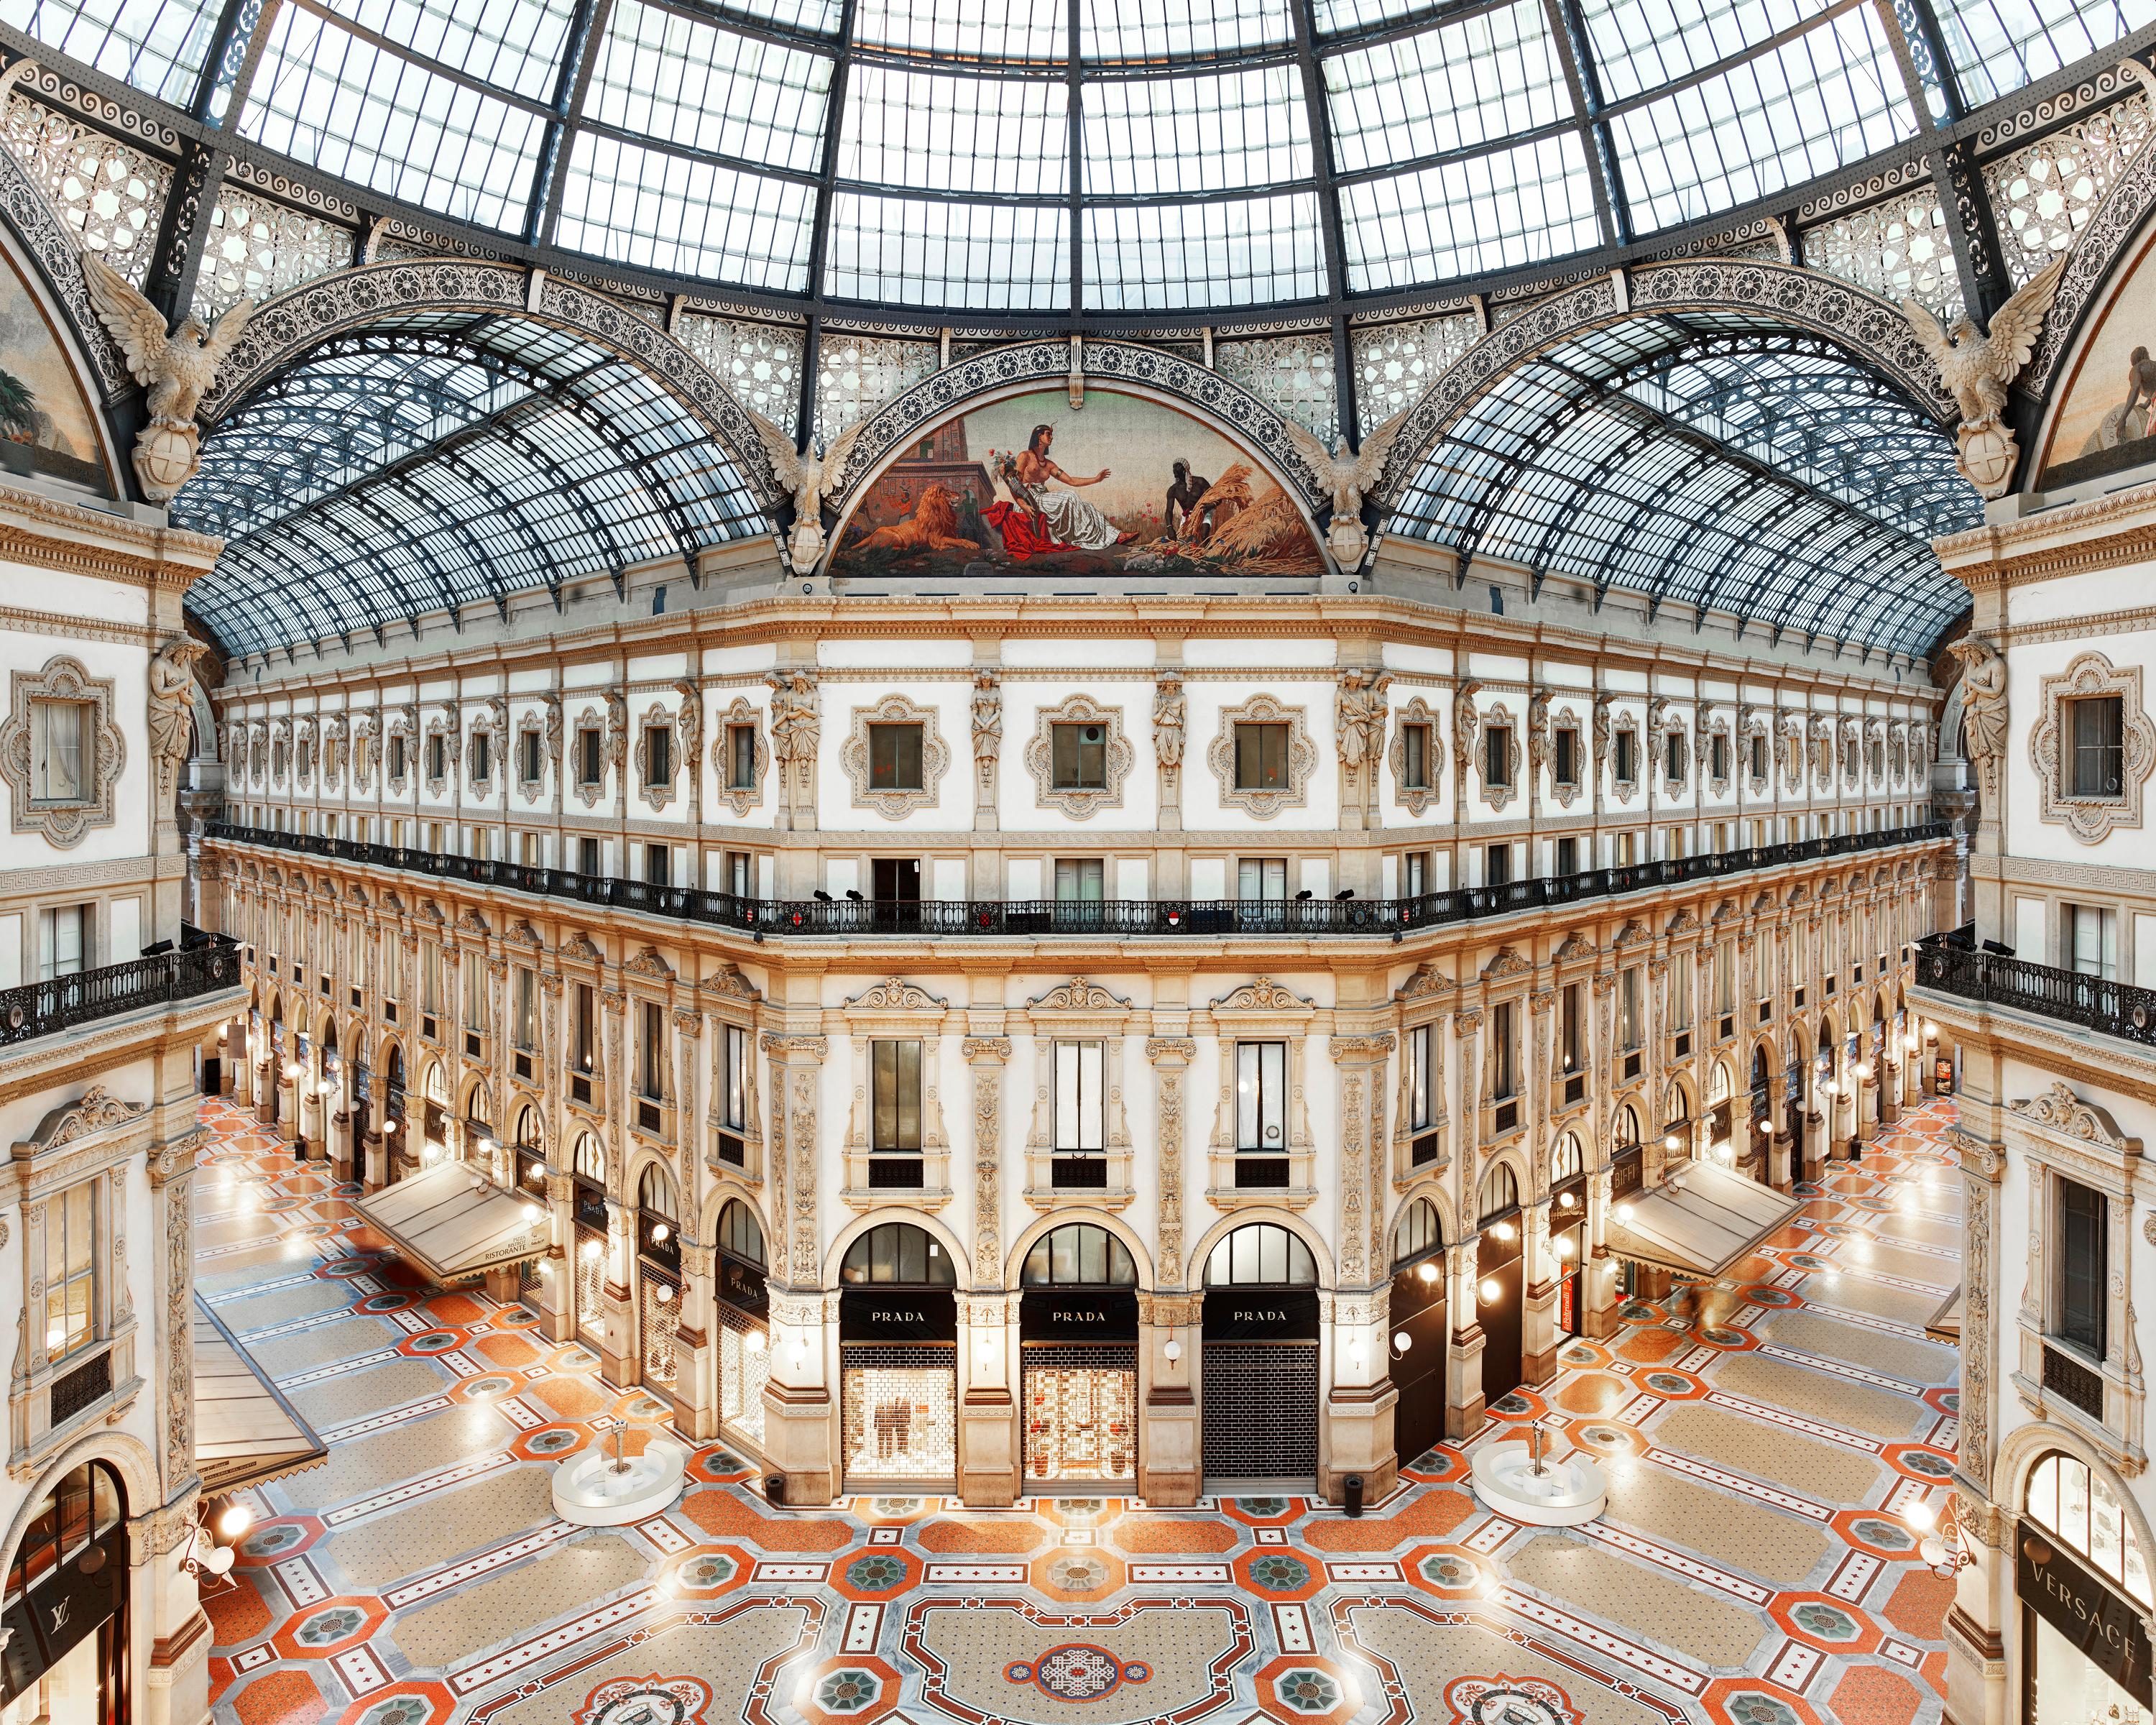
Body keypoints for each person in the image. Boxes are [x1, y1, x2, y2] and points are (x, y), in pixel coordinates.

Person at [1011, 424, 1135, 550]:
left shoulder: (1049, 464)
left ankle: (1117, 535)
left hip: (1042, 497)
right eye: (1049, 434)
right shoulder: (1024, 456)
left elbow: (1071, 481)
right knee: (1070, 496)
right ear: (1039, 436)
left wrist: (1097, 479)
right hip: (1029, 499)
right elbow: (1014, 484)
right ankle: (1089, 537)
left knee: (1088, 507)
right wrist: (1023, 505)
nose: (1052, 437)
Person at [1164, 459, 1213, 540]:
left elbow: (1217, 498)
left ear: (1184, 470)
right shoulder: (1173, 490)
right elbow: (1169, 510)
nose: (1175, 469)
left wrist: (1210, 506)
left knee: (1203, 536)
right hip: (1188, 516)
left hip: (1203, 513)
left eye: (1178, 467)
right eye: (1174, 467)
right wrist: (1169, 528)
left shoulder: (1200, 482)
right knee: (1184, 542)